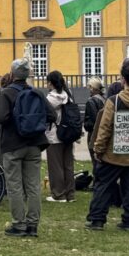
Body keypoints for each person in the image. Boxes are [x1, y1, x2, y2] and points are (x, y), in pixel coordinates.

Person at [0, 58, 57, 237]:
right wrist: (35, 122)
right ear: (27, 75)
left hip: (13, 144)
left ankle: (19, 224)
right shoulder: (36, 93)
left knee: (14, 186)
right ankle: (33, 224)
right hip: (34, 144)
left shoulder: (6, 94)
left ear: (12, 74)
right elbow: (52, 114)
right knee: (33, 186)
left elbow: (0, 117)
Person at [86, 62, 129, 231]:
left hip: (113, 152)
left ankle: (97, 219)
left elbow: (105, 128)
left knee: (103, 184)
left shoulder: (114, 100)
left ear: (123, 80)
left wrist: (98, 149)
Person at [44, 70, 77, 203]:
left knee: (55, 165)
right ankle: (70, 194)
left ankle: (58, 194)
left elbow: (44, 113)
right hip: (68, 133)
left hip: (54, 134)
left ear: (50, 83)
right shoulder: (68, 95)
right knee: (68, 165)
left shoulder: (51, 99)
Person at [83, 78, 106, 143]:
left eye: (90, 87)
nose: (89, 89)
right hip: (103, 130)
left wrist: (86, 125)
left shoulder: (91, 101)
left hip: (94, 132)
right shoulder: (104, 98)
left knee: (93, 151)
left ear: (93, 88)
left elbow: (94, 118)